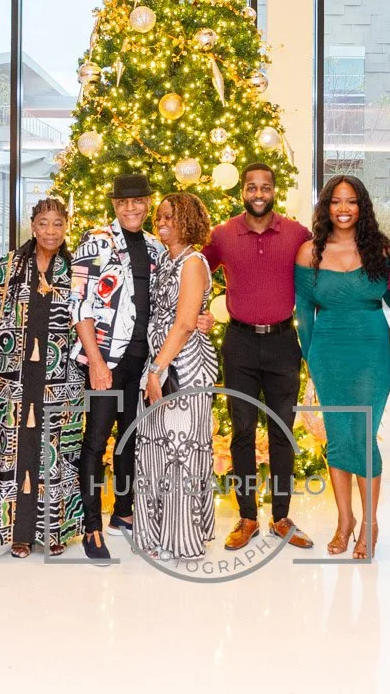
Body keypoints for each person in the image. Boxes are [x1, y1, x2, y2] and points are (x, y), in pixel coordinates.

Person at [203, 163, 315, 552]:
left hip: (284, 342)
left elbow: (324, 265)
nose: (258, 193)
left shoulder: (297, 234)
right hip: (240, 344)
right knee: (243, 432)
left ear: (274, 191)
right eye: (251, 187)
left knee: (282, 432)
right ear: (243, 192)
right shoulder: (223, 235)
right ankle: (248, 517)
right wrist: (198, 312)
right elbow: (195, 271)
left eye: (265, 186)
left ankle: (281, 517)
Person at [0, 198, 83, 559]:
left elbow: (89, 319)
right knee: (13, 450)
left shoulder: (75, 270)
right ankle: (17, 532)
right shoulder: (8, 266)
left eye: (58, 224)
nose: (51, 231)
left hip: (60, 379)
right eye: (43, 223)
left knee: (57, 452)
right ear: (33, 226)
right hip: (14, 377)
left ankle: (54, 530)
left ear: (66, 227)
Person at [295, 175, 390, 560]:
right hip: (328, 353)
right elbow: (305, 314)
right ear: (326, 207)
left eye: (351, 201)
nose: (343, 208)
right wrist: (311, 361)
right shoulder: (309, 252)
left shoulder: (381, 250)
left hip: (373, 351)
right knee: (337, 437)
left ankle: (370, 524)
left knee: (363, 435)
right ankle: (344, 520)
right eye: (336, 201)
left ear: (361, 206)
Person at [71, 173, 165, 563]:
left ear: (148, 203)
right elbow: (79, 304)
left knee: (131, 438)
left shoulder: (156, 248)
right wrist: (95, 361)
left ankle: (123, 513)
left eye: (138, 201)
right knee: (96, 441)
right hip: (105, 361)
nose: (131, 208)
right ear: (114, 205)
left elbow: (166, 302)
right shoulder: (96, 242)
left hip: (142, 363)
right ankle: (91, 528)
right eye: (123, 202)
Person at [134, 192, 218, 560]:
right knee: (156, 449)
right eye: (160, 216)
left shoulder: (193, 263)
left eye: (171, 216)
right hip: (160, 362)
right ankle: (158, 533)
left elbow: (184, 324)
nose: (162, 222)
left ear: (189, 221)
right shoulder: (165, 259)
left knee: (180, 451)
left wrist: (157, 370)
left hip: (183, 366)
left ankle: (181, 539)